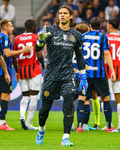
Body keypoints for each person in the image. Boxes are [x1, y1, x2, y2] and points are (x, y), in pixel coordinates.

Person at [35, 5, 87, 146]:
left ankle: (65, 138)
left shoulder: (76, 35)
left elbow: (80, 57)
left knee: (69, 104)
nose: (62, 15)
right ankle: (41, 130)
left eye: (65, 13)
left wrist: (83, 76)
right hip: (51, 75)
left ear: (71, 15)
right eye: (60, 13)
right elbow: (37, 48)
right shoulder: (49, 30)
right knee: (45, 109)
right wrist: (40, 41)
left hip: (68, 75)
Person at [77, 17, 118, 133]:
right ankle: (109, 126)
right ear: (100, 26)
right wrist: (113, 71)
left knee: (82, 97)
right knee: (105, 98)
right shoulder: (103, 37)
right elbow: (106, 54)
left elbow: (77, 53)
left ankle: (79, 126)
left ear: (90, 25)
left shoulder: (82, 36)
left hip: (85, 73)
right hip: (99, 73)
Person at [0, 19, 32, 131]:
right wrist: (23, 50)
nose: (13, 28)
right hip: (2, 71)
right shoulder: (4, 38)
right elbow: (7, 53)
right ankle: (3, 123)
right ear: (5, 27)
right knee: (6, 96)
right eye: (10, 26)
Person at [13, 19, 45, 130]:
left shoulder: (17, 38)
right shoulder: (35, 37)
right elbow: (39, 54)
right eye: (35, 26)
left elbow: (13, 56)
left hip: (22, 70)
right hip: (34, 69)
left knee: (25, 96)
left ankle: (22, 116)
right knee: (34, 97)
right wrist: (42, 64)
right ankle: (28, 123)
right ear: (33, 27)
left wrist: (16, 70)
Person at [105, 19, 120, 131]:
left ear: (110, 26)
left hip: (107, 71)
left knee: (105, 98)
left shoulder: (105, 38)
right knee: (119, 99)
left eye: (107, 25)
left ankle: (108, 124)